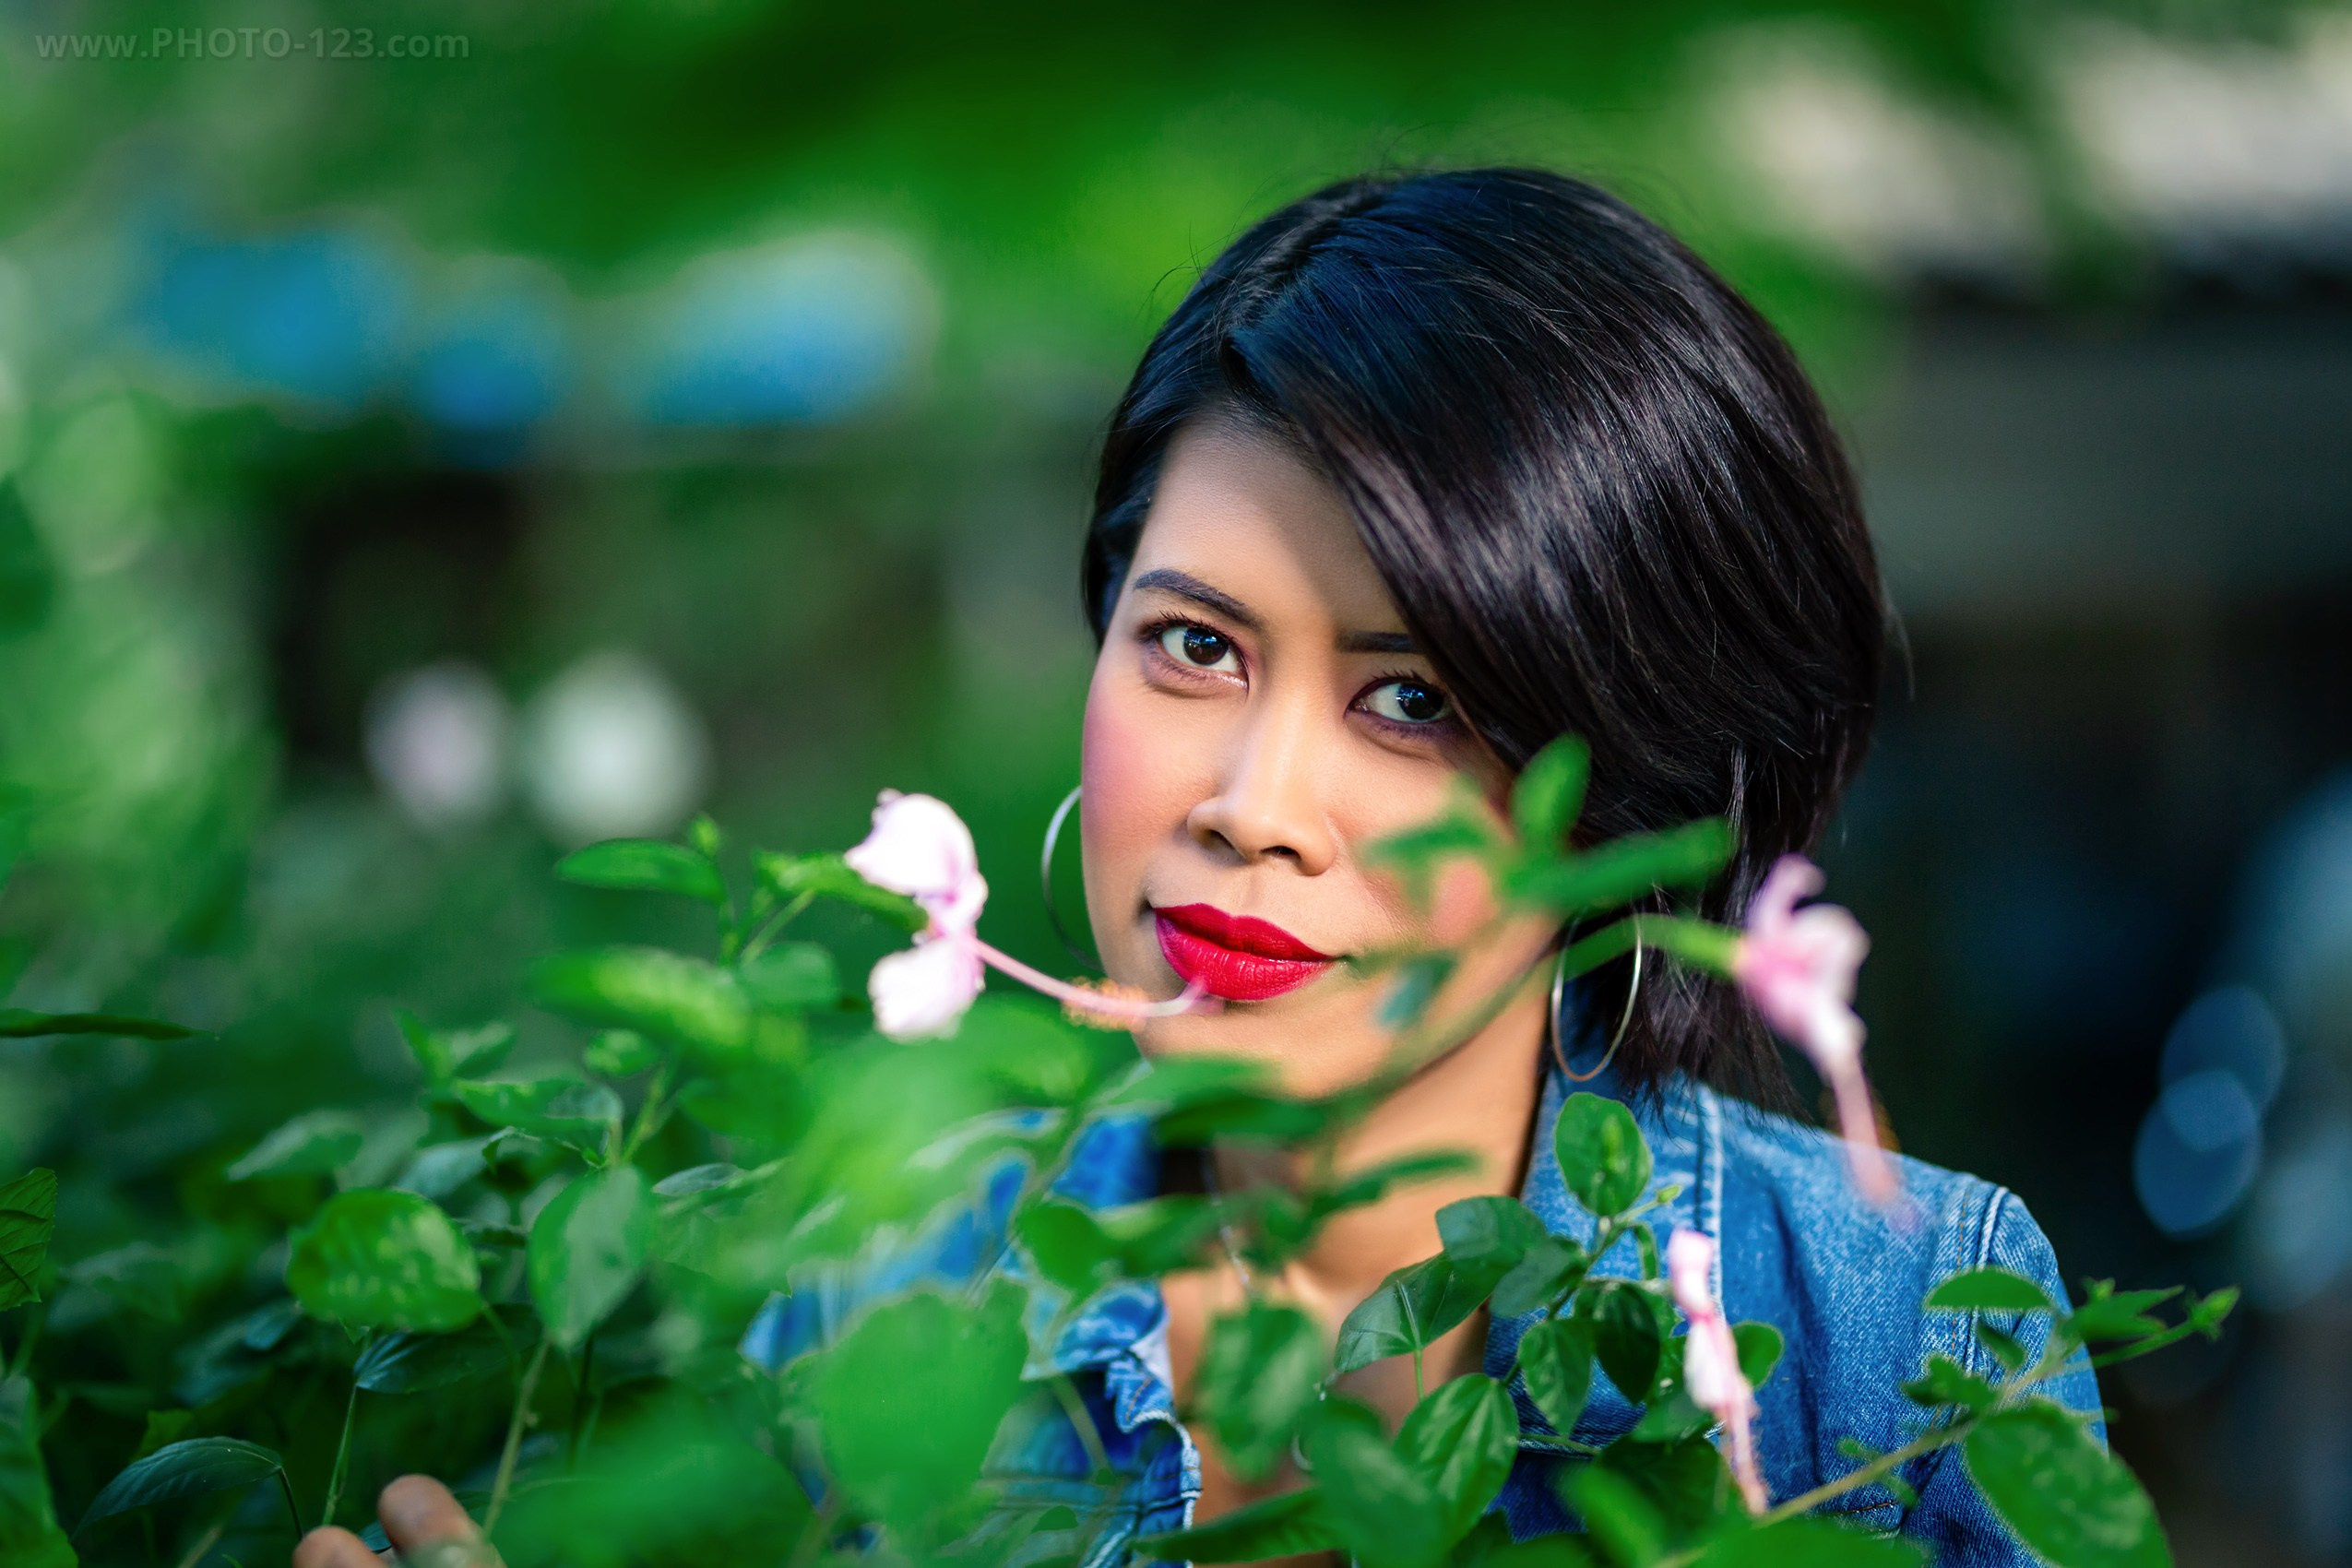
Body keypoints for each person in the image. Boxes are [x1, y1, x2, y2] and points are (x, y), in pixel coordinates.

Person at [297, 167, 2097, 1568]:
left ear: (1629, 797)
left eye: (1412, 696)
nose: (1251, 798)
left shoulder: (1893, 1332)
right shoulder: (877, 1297)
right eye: (1194, 647)